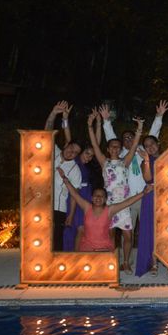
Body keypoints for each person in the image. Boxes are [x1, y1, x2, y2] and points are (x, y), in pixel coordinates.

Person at [88, 111, 144, 274]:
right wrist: (90, 126)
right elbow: (95, 145)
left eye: (118, 147)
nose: (115, 148)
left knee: (128, 235)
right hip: (110, 204)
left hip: (124, 204)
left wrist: (139, 128)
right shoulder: (104, 162)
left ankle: (126, 262)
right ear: (108, 148)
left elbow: (134, 146)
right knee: (110, 236)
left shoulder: (124, 162)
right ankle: (112, 263)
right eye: (112, 146)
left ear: (120, 150)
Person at [100, 100, 168, 232]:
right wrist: (106, 121)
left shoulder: (144, 150)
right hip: (129, 198)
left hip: (145, 195)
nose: (129, 139)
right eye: (125, 138)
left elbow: (153, 134)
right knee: (128, 233)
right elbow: (110, 137)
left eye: (131, 137)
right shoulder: (121, 157)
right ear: (121, 142)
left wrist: (159, 116)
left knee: (148, 228)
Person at [58, 168, 152, 252]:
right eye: (96, 195)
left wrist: (143, 193)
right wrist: (65, 179)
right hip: (86, 248)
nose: (98, 198)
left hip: (104, 248)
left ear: (105, 199)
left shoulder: (110, 210)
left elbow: (127, 202)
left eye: (101, 196)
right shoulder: (87, 207)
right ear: (91, 198)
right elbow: (74, 194)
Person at [62, 107, 102, 251]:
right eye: (87, 153)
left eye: (91, 155)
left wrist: (98, 122)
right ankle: (74, 257)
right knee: (76, 227)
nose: (89, 157)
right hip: (75, 196)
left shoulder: (89, 165)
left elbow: (96, 144)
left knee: (84, 229)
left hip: (87, 197)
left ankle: (77, 256)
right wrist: (65, 119)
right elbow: (68, 140)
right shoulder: (75, 160)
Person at [44, 101, 82, 251]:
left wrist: (71, 215)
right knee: (41, 238)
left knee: (56, 240)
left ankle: (54, 269)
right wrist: (54, 113)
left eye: (75, 153)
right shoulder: (53, 151)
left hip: (58, 208)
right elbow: (46, 132)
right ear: (66, 145)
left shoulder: (75, 170)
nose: (71, 153)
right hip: (41, 203)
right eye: (71, 148)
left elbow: (74, 195)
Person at [135, 136, 160, 276]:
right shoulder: (146, 161)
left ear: (158, 143)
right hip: (150, 198)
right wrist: (146, 160)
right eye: (146, 145)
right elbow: (148, 179)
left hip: (166, 196)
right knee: (152, 230)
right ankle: (154, 262)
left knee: (166, 230)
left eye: (152, 143)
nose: (150, 147)